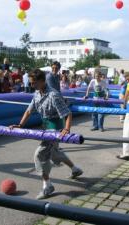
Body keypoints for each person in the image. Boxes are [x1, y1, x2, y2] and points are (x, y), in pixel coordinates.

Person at [9, 69, 83, 199]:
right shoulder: (37, 93)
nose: (32, 86)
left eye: (34, 83)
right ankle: (75, 169)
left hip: (55, 129)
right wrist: (20, 125)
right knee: (54, 153)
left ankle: (47, 185)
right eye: (31, 83)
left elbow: (67, 113)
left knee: (39, 154)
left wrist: (66, 129)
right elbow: (29, 111)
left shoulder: (53, 95)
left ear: (42, 81)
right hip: (46, 127)